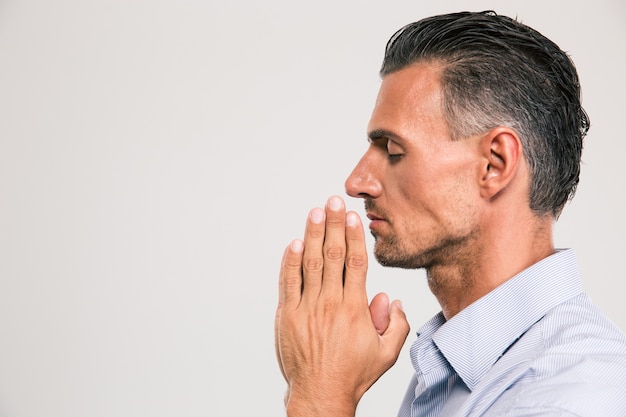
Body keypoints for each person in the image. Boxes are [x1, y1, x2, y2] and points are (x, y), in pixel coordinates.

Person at [274, 10, 626, 417]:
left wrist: (320, 398)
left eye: (392, 151)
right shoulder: (462, 370)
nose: (356, 182)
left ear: (494, 164)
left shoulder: (569, 397)